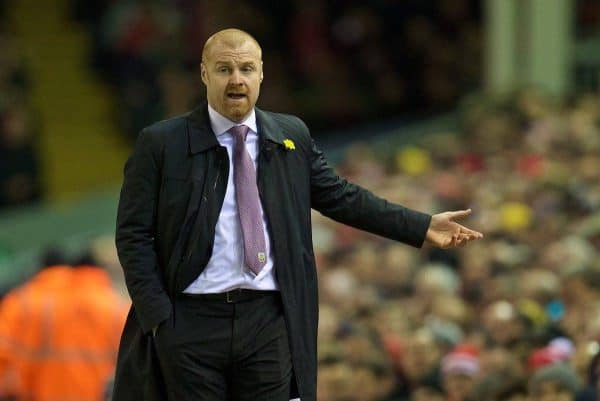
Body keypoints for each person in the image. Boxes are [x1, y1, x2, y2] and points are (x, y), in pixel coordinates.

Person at [112, 28, 483, 401]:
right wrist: (159, 316)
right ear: (205, 74)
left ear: (261, 74)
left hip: (268, 320)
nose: (236, 79)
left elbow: (341, 197)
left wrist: (421, 225)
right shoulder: (161, 143)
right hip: (190, 320)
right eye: (224, 69)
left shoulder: (291, 135)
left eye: (246, 68)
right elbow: (133, 234)